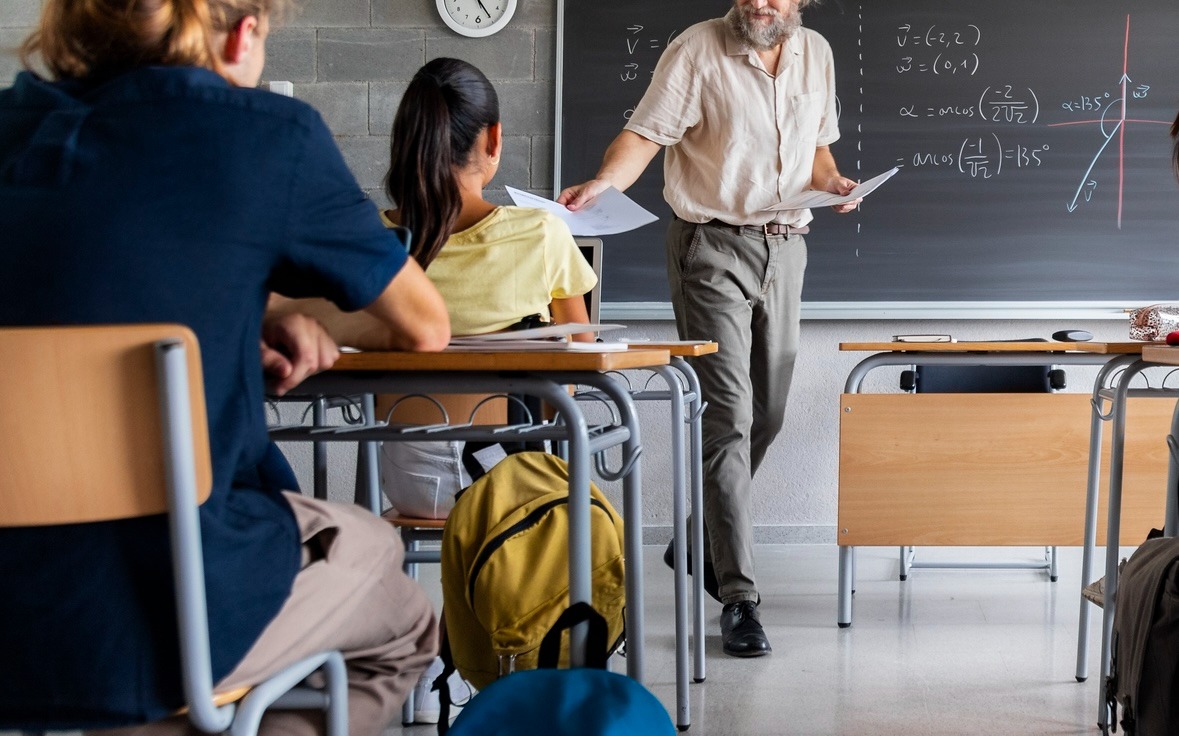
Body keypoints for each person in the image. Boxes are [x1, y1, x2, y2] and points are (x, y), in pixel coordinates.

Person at [0, 1, 452, 734]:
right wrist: (263, 295)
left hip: (18, 614)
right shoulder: (267, 137)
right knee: (395, 607)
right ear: (243, 34)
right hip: (164, 615)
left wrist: (246, 308)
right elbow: (423, 324)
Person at [557, 0, 859, 658]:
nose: (759, 3)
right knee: (727, 415)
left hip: (786, 247)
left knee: (768, 413)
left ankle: (696, 540)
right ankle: (740, 598)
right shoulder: (696, 49)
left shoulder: (818, 53)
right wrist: (603, 183)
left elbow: (816, 151)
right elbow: (644, 135)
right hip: (710, 248)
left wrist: (833, 182)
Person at [371, 57, 599, 524]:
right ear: (493, 139)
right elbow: (581, 360)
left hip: (412, 485)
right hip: (516, 482)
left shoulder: (371, 242)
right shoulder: (540, 233)